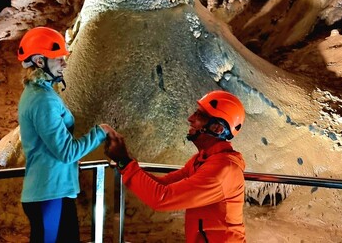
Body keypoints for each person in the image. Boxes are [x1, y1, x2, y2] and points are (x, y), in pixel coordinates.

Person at [17, 26, 116, 243]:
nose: (64, 63)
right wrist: (100, 132)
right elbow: (66, 152)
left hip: (52, 190)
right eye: (58, 58)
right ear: (40, 61)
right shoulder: (42, 100)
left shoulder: (38, 93)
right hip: (49, 193)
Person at [105, 90, 247, 243]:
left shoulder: (222, 170)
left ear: (217, 129)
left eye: (199, 115)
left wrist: (126, 162)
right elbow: (163, 185)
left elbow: (162, 198)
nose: (190, 119)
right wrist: (124, 162)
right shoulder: (202, 160)